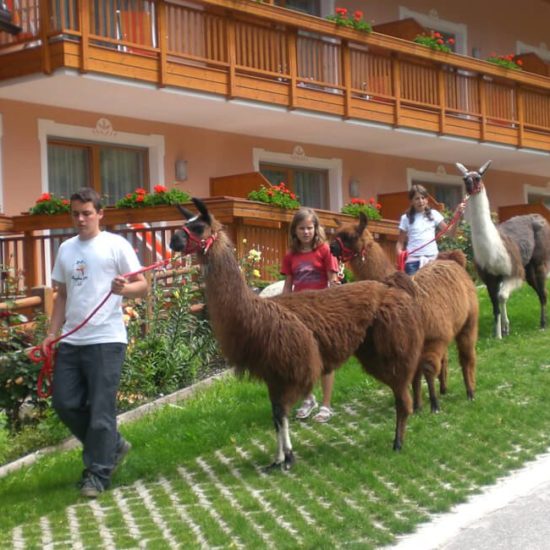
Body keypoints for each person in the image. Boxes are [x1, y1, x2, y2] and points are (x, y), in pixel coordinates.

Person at [41, 188, 148, 498]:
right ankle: (113, 445)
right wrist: (52, 333)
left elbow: (143, 286)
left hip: (106, 339)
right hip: (72, 340)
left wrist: (123, 289)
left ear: (100, 214)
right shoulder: (66, 249)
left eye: (87, 213)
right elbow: (62, 295)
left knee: (101, 410)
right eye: (75, 213)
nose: (80, 219)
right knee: (65, 403)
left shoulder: (116, 245)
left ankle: (97, 475)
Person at [281, 207, 339, 423]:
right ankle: (308, 398)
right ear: (294, 231)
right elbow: (288, 285)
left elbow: (332, 280)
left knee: (325, 359)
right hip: (299, 312)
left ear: (316, 229)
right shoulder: (291, 255)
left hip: (321, 311)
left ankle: (326, 405)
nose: (306, 232)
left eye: (309, 228)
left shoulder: (324, 250)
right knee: (302, 359)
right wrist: (283, 309)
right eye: (301, 228)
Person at [396, 184, 453, 276]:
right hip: (413, 263)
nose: (421, 201)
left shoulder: (434, 214)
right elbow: (400, 242)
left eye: (423, 198)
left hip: (432, 261)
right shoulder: (405, 218)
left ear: (427, 200)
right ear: (411, 201)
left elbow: (450, 233)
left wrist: (458, 214)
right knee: (413, 285)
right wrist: (400, 254)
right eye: (417, 198)